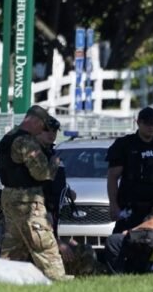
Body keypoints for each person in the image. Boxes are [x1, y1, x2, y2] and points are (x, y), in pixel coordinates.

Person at [0, 105, 70, 281]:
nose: (42, 130)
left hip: (9, 199)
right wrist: (54, 163)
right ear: (34, 121)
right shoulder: (26, 141)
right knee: (45, 246)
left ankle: (2, 285)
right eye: (42, 126)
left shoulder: (7, 138)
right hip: (28, 203)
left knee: (13, 251)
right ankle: (59, 282)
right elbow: (41, 173)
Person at [35, 117, 105, 276]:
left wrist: (66, 191)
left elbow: (55, 182)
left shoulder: (52, 153)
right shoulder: (36, 157)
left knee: (85, 251)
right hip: (40, 229)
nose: (51, 134)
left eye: (54, 131)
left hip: (51, 224)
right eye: (47, 130)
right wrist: (59, 243)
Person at [106, 106, 153, 233]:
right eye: (147, 123)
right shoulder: (125, 145)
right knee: (121, 243)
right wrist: (114, 206)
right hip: (130, 208)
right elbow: (113, 176)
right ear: (138, 123)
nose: (151, 127)